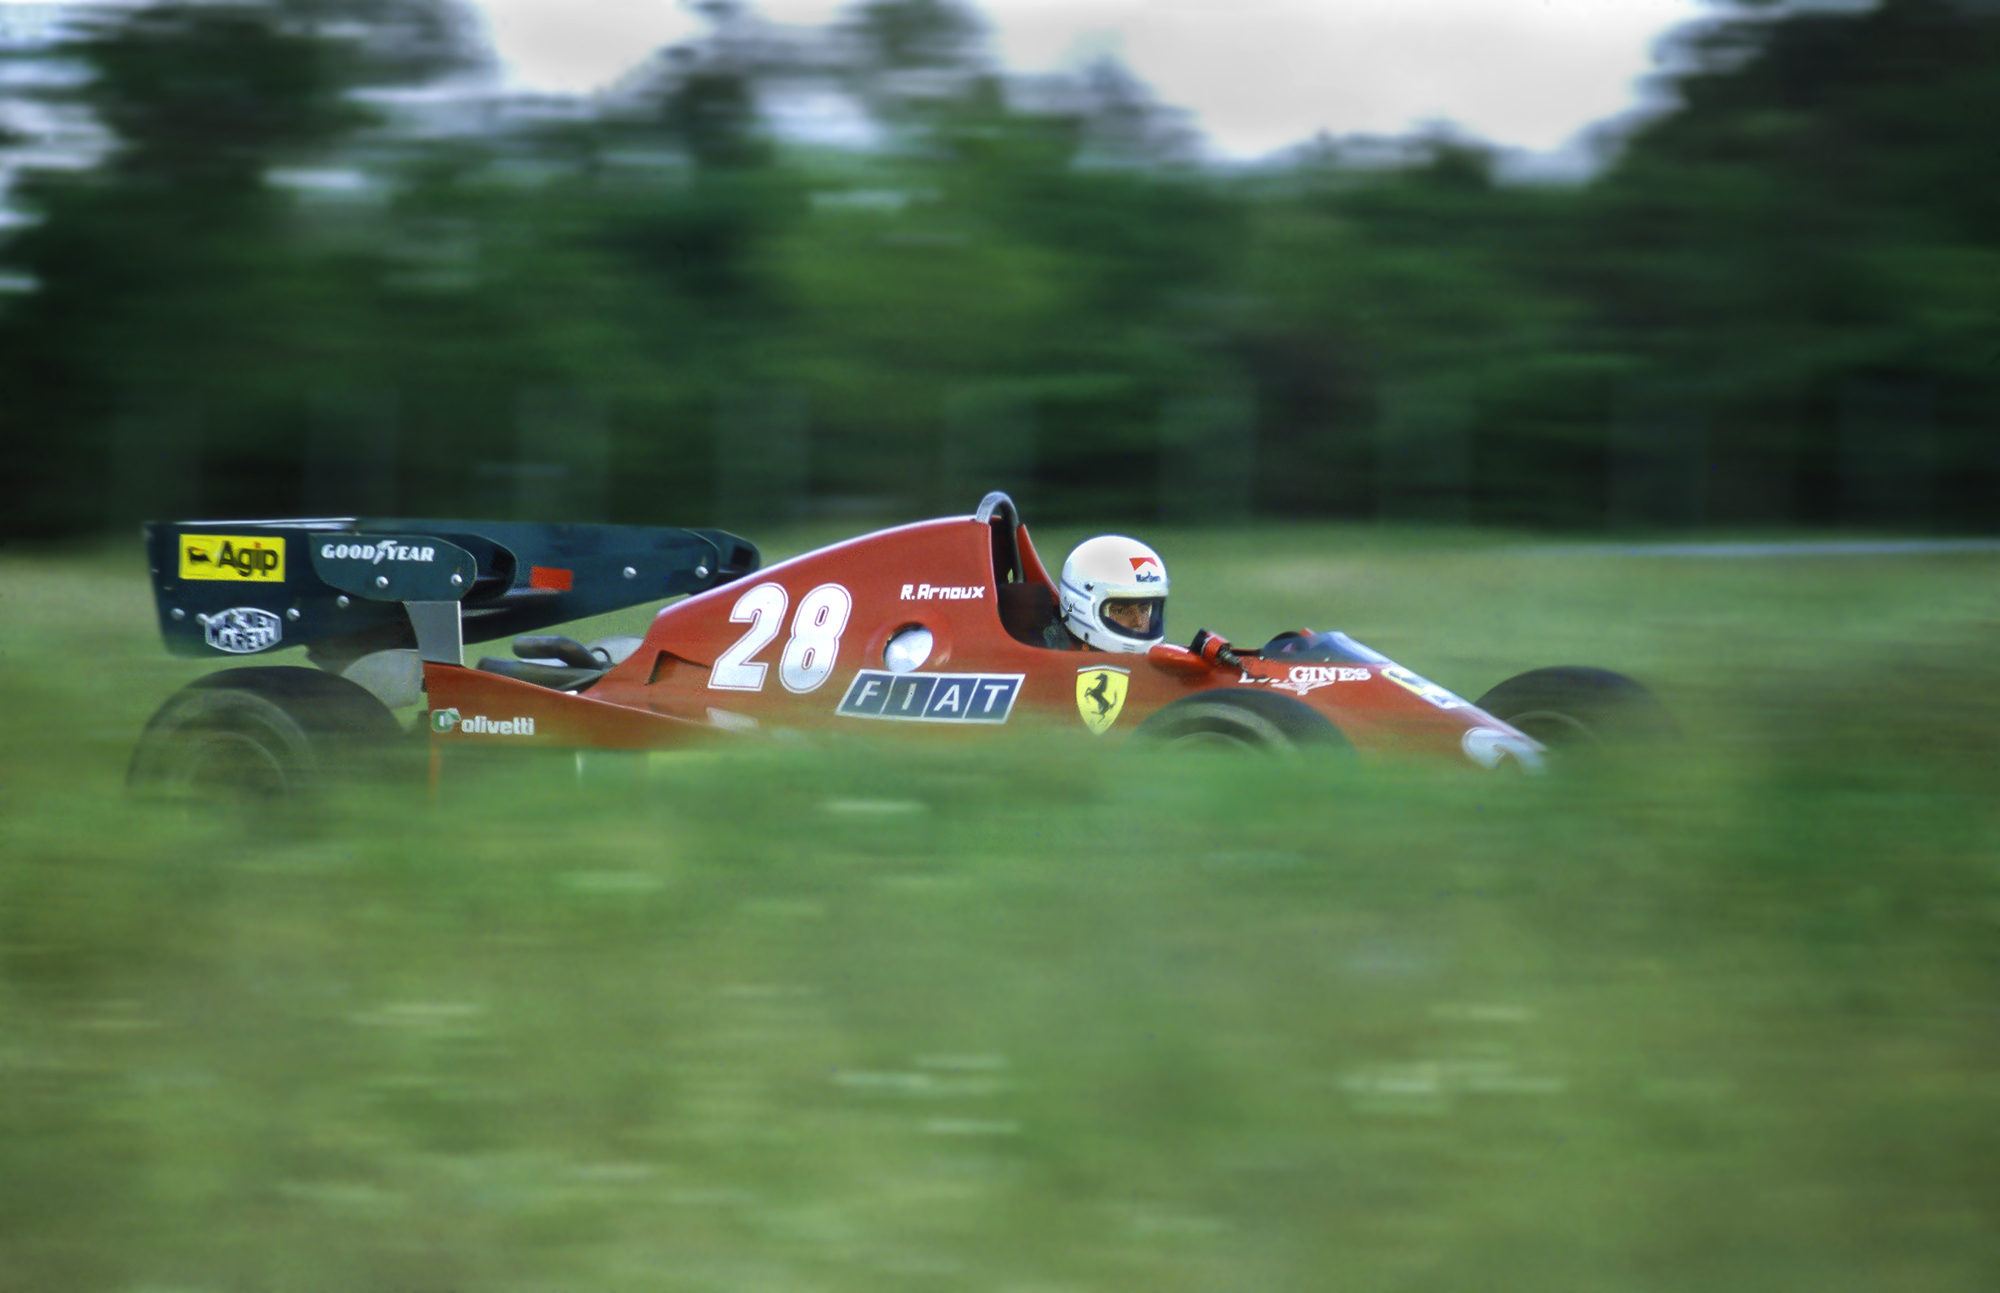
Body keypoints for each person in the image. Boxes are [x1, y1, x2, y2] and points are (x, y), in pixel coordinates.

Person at [1044, 535, 1169, 652]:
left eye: (1144, 608)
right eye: (1120, 610)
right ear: (1079, 607)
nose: (1139, 622)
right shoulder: (1050, 663)